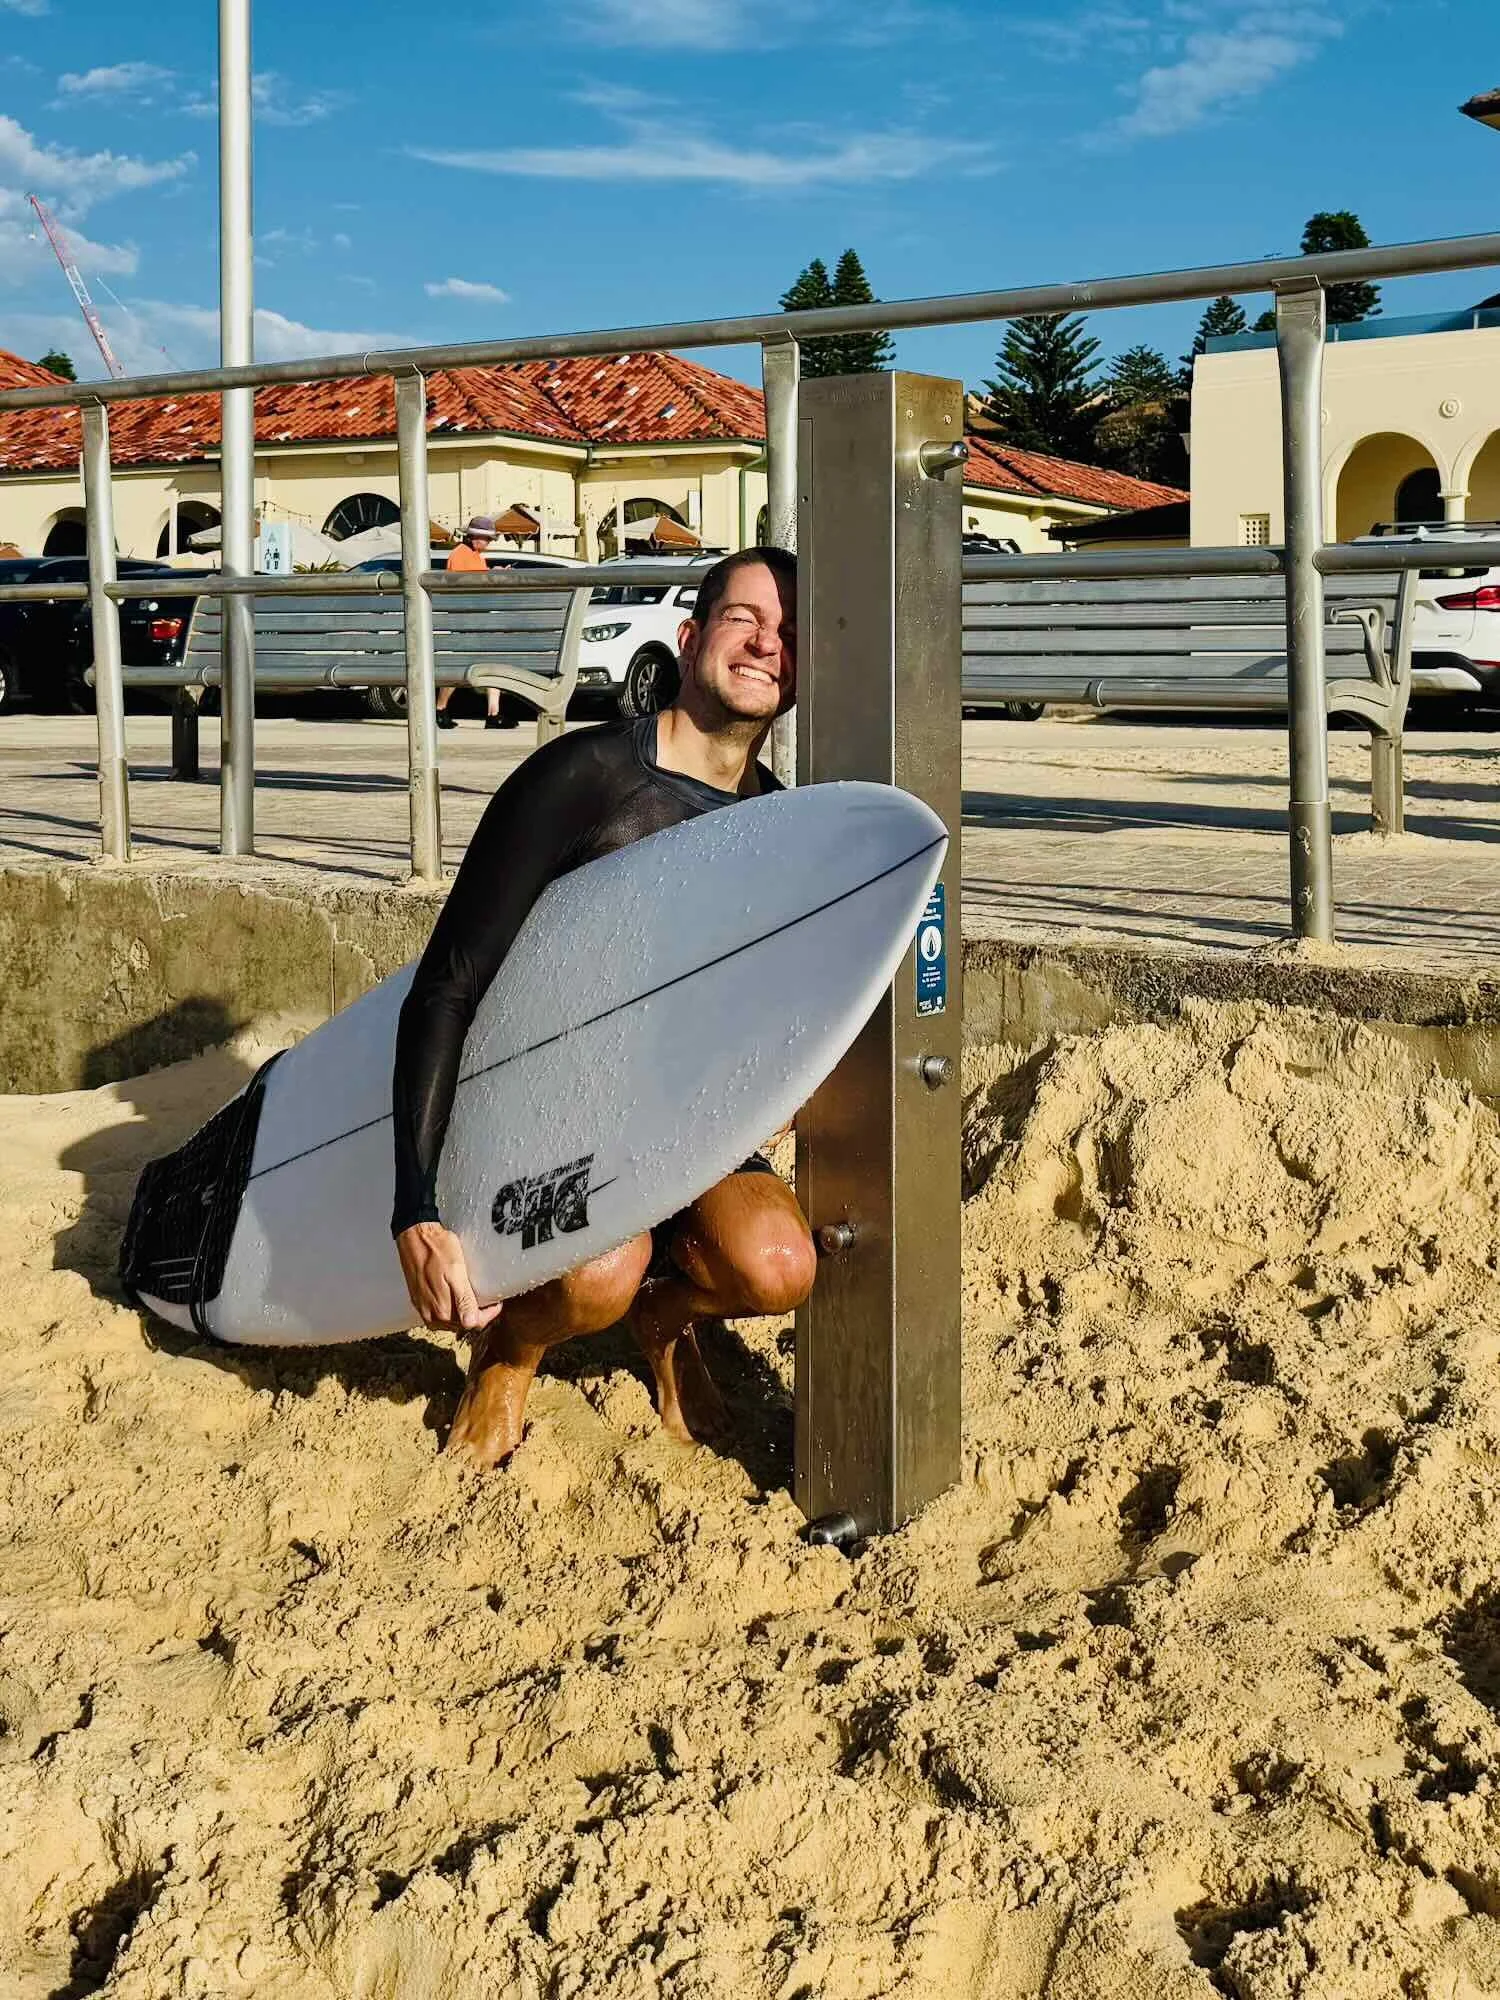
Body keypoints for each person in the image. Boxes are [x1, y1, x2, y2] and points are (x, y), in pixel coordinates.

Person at [392, 547, 816, 1468]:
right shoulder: (583, 776)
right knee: (597, 1273)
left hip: (685, 1128)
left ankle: (666, 1319)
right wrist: (415, 1207)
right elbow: (448, 984)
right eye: (743, 619)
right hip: (551, 1118)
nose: (765, 645)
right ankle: (512, 1352)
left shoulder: (781, 827)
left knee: (779, 1267)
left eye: (787, 633)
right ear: (690, 638)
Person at [436, 515, 511, 730]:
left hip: (475, 618)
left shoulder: (472, 555)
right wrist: (492, 575)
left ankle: (493, 713)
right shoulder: (461, 555)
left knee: (485, 663)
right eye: (486, 539)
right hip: (467, 619)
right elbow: (469, 584)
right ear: (475, 537)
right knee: (462, 666)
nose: (488, 543)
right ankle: (440, 708)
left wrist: (492, 573)